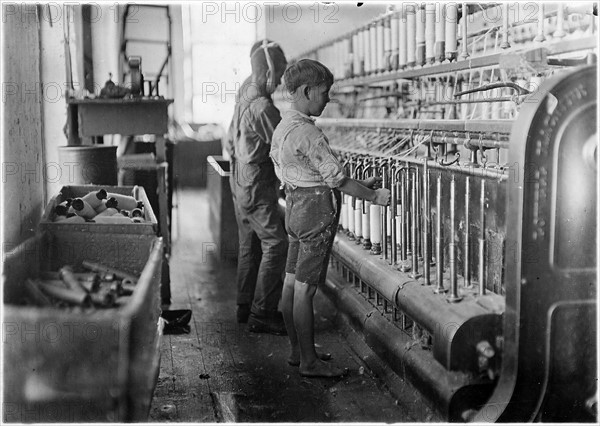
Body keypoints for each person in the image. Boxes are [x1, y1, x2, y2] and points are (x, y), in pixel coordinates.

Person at [270, 59, 391, 377]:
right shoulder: (310, 133)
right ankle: (309, 363)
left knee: (291, 281)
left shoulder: (284, 128)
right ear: (307, 91)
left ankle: (298, 351)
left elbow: (309, 173)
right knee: (306, 290)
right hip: (315, 213)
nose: (327, 99)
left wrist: (359, 183)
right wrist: (375, 197)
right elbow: (335, 180)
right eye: (325, 92)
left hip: (295, 206)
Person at [225, 40, 288, 335]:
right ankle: (263, 313)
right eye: (280, 76)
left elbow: (229, 138)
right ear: (267, 75)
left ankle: (243, 306)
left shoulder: (245, 90)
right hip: (256, 183)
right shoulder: (263, 107)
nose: (279, 83)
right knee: (276, 244)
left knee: (249, 244)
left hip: (239, 177)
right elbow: (286, 146)